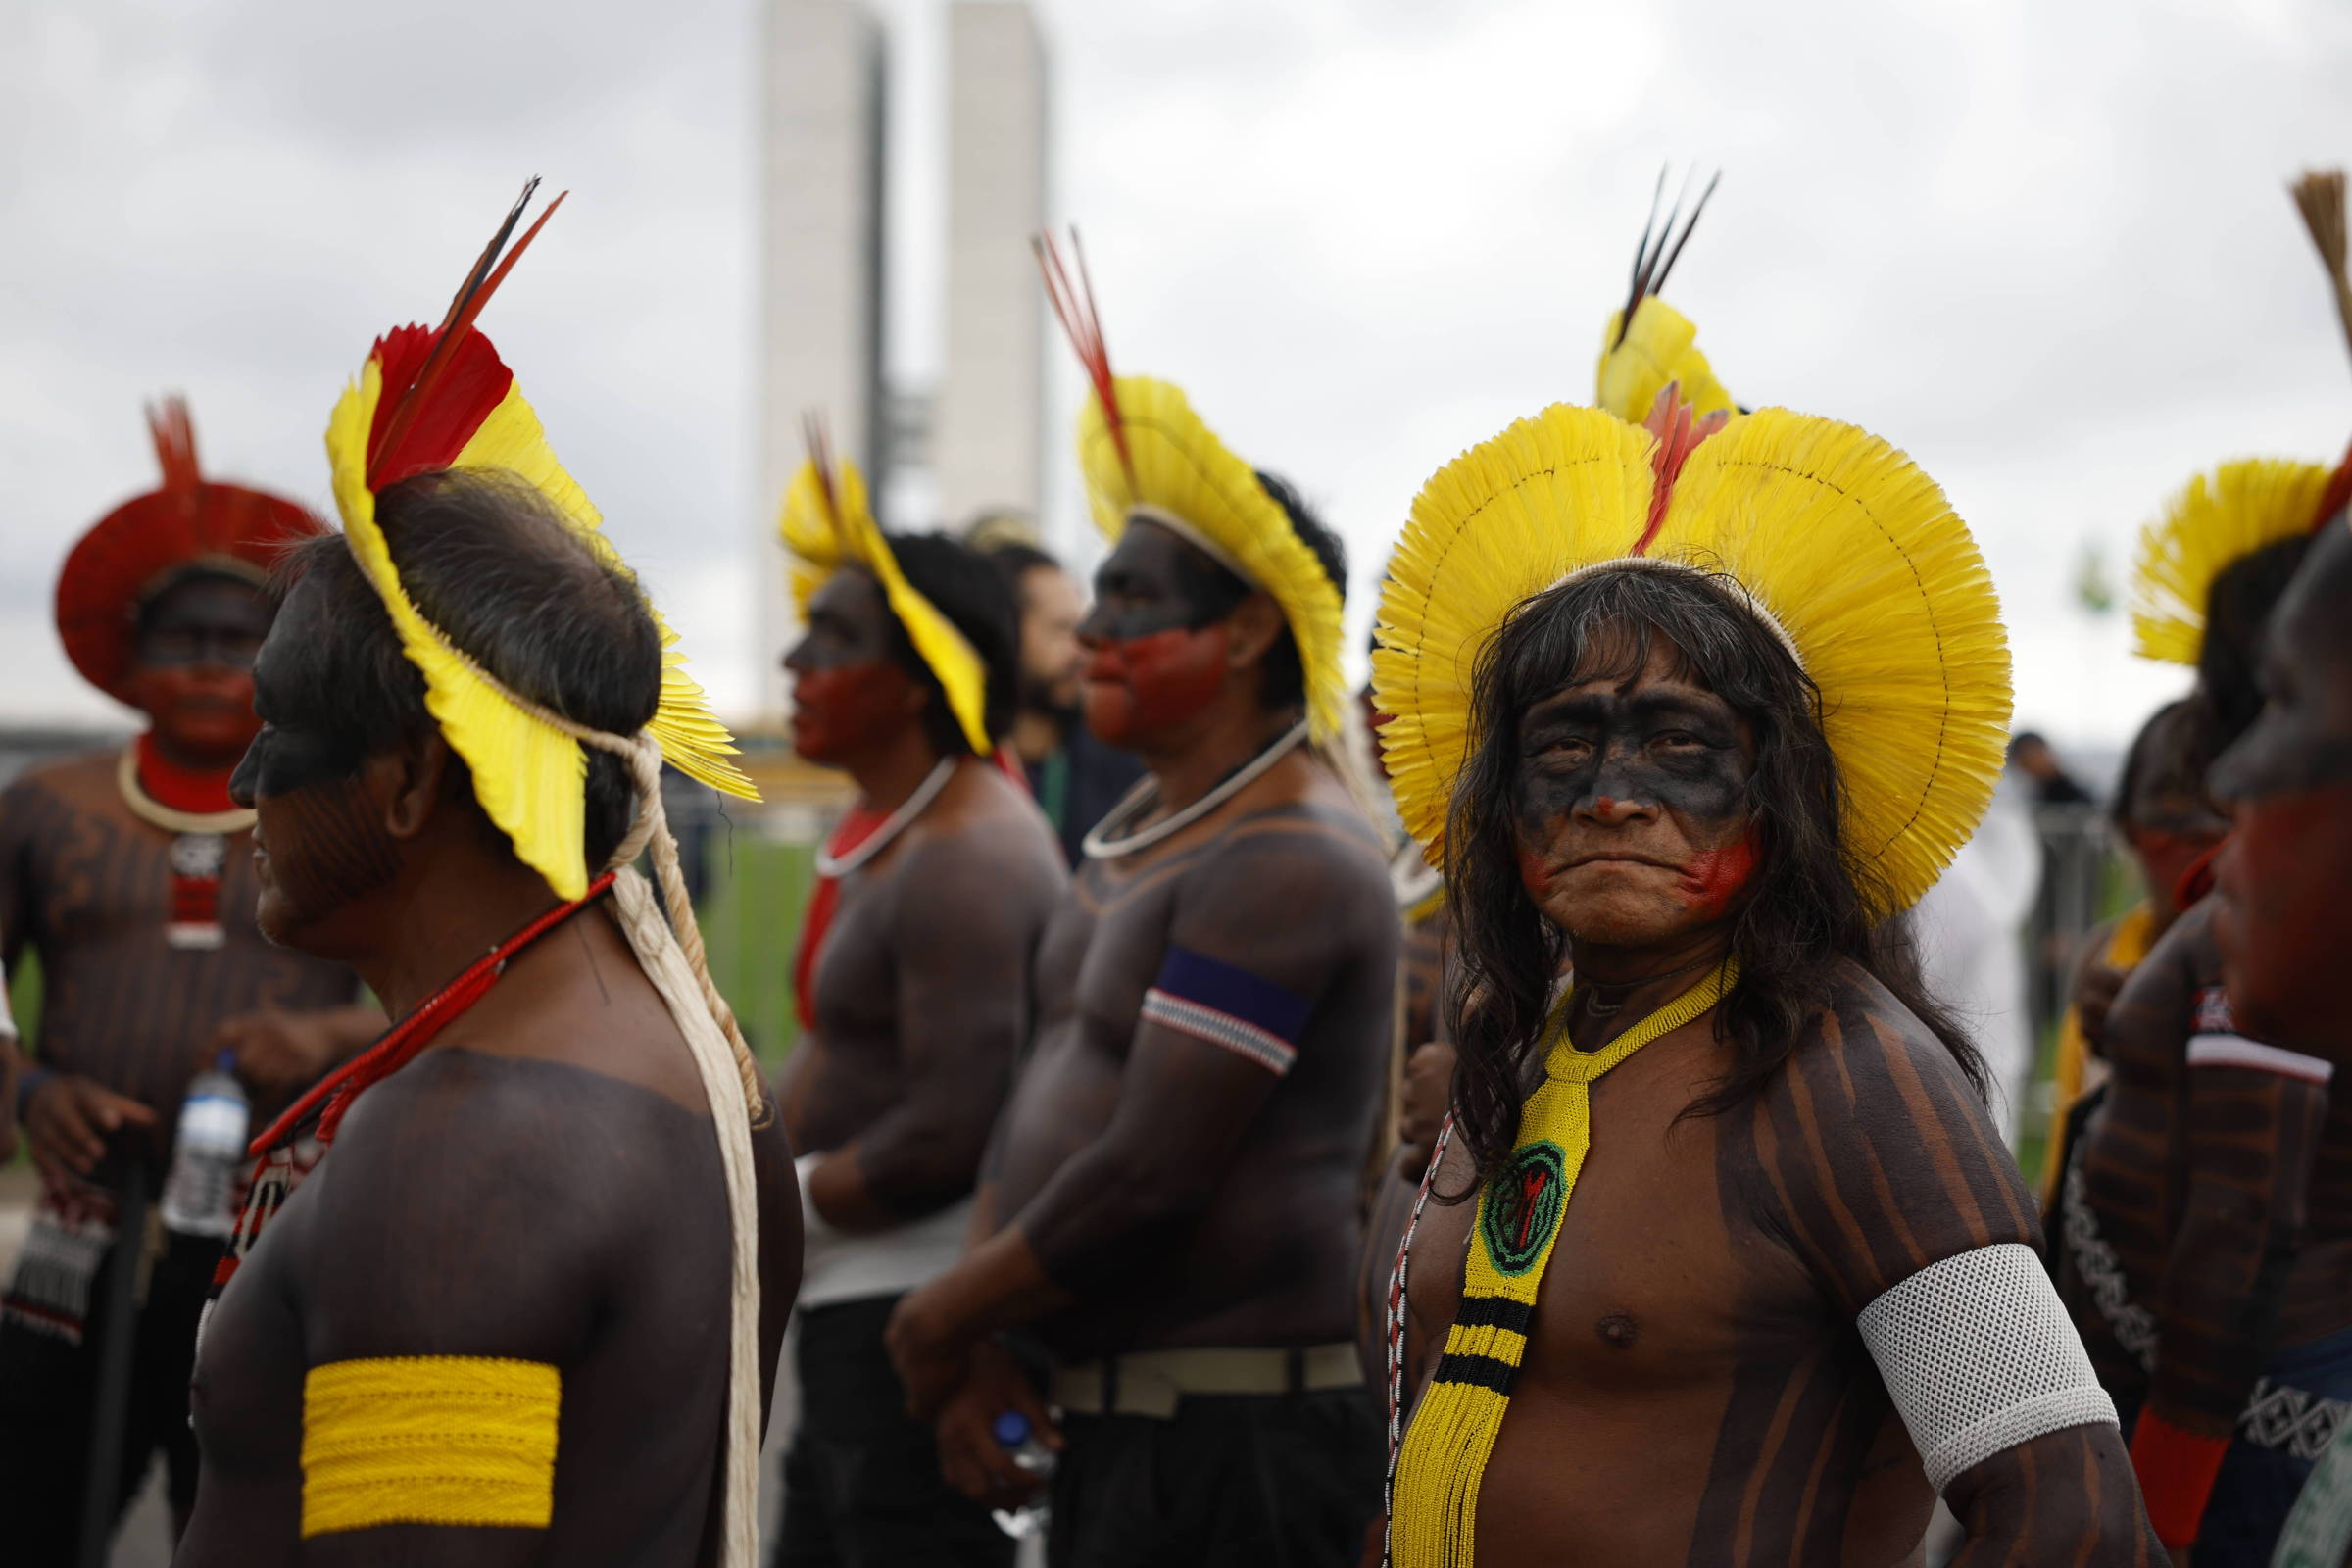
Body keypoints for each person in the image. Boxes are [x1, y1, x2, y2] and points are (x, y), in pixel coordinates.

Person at [1374, 195, 2154, 1564]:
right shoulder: (1518, 1043)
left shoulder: (1853, 1086)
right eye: (1564, 746)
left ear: (1780, 795)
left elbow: (2071, 1511)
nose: (1613, 794)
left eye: (1680, 747)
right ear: (1499, 797)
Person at [176, 186, 799, 1567]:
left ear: (404, 782)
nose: (242, 789)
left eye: (279, 730)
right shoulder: (681, 1054)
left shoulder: (466, 1152)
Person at [882, 236, 1399, 1568]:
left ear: (1242, 632)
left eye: (1132, 598)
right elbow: (1047, 1112)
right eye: (1095, 594)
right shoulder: (1138, 846)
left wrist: (940, 1318)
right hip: (1119, 1431)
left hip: (1240, 1457)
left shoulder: (1293, 856)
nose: (1093, 632)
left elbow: (1153, 1174)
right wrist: (990, 1336)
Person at [0, 399, 379, 1562]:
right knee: (29, 1506)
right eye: (184, 639)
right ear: (128, 656)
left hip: (285, 1226)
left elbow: (451, 978)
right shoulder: (45, 807)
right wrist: (25, 1093)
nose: (213, 664)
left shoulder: (348, 808)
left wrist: (327, 1044)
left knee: (260, 1523)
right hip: (83, 1219)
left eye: (241, 639)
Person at [2057, 172, 2352, 1566]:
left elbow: (2239, 1222)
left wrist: (2161, 1500)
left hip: (2239, 1433)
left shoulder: (2263, 947)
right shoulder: (2240, 917)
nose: (2221, 785)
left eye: (2288, 711)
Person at [772, 435, 1066, 1565]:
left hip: (917, 1316)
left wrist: (775, 1201)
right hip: (862, 1308)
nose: (796, 657)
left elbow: (956, 1129)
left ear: (922, 673)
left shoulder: (967, 854)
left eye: (837, 634)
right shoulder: (910, 833)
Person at [2038, 699, 2230, 1207]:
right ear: (2126, 826)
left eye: (2224, 805)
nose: (2206, 838)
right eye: (2174, 806)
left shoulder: (2278, 977)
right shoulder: (2104, 951)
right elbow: (2067, 1134)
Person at [966, 520, 1146, 865]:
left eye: (1083, 626)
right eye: (1061, 629)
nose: (1083, 648)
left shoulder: (1124, 767)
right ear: (1003, 636)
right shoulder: (955, 774)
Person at [2010, 730, 2095, 806]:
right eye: (2023, 760)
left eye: (2031, 756)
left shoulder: (2077, 790)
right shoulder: (2035, 794)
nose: (2031, 764)